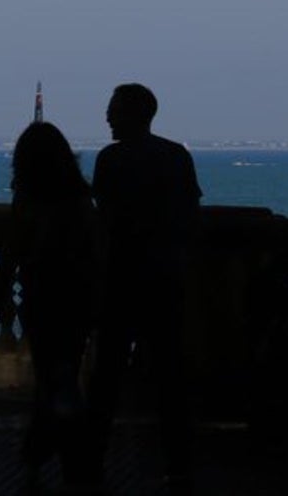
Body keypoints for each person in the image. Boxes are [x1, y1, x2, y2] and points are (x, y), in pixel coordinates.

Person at [85, 84, 202, 491]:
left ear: (132, 115)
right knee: (171, 380)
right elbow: (190, 216)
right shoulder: (175, 157)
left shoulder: (111, 161)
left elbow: (105, 224)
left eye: (113, 110)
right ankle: (180, 464)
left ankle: (92, 463)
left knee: (105, 381)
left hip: (121, 282)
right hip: (165, 281)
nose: (107, 117)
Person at [0, 121, 99, 489]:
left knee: (52, 379)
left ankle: (48, 453)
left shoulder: (28, 199)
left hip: (41, 301)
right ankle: (63, 456)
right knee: (64, 376)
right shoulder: (79, 199)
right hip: (77, 302)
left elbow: (13, 249)